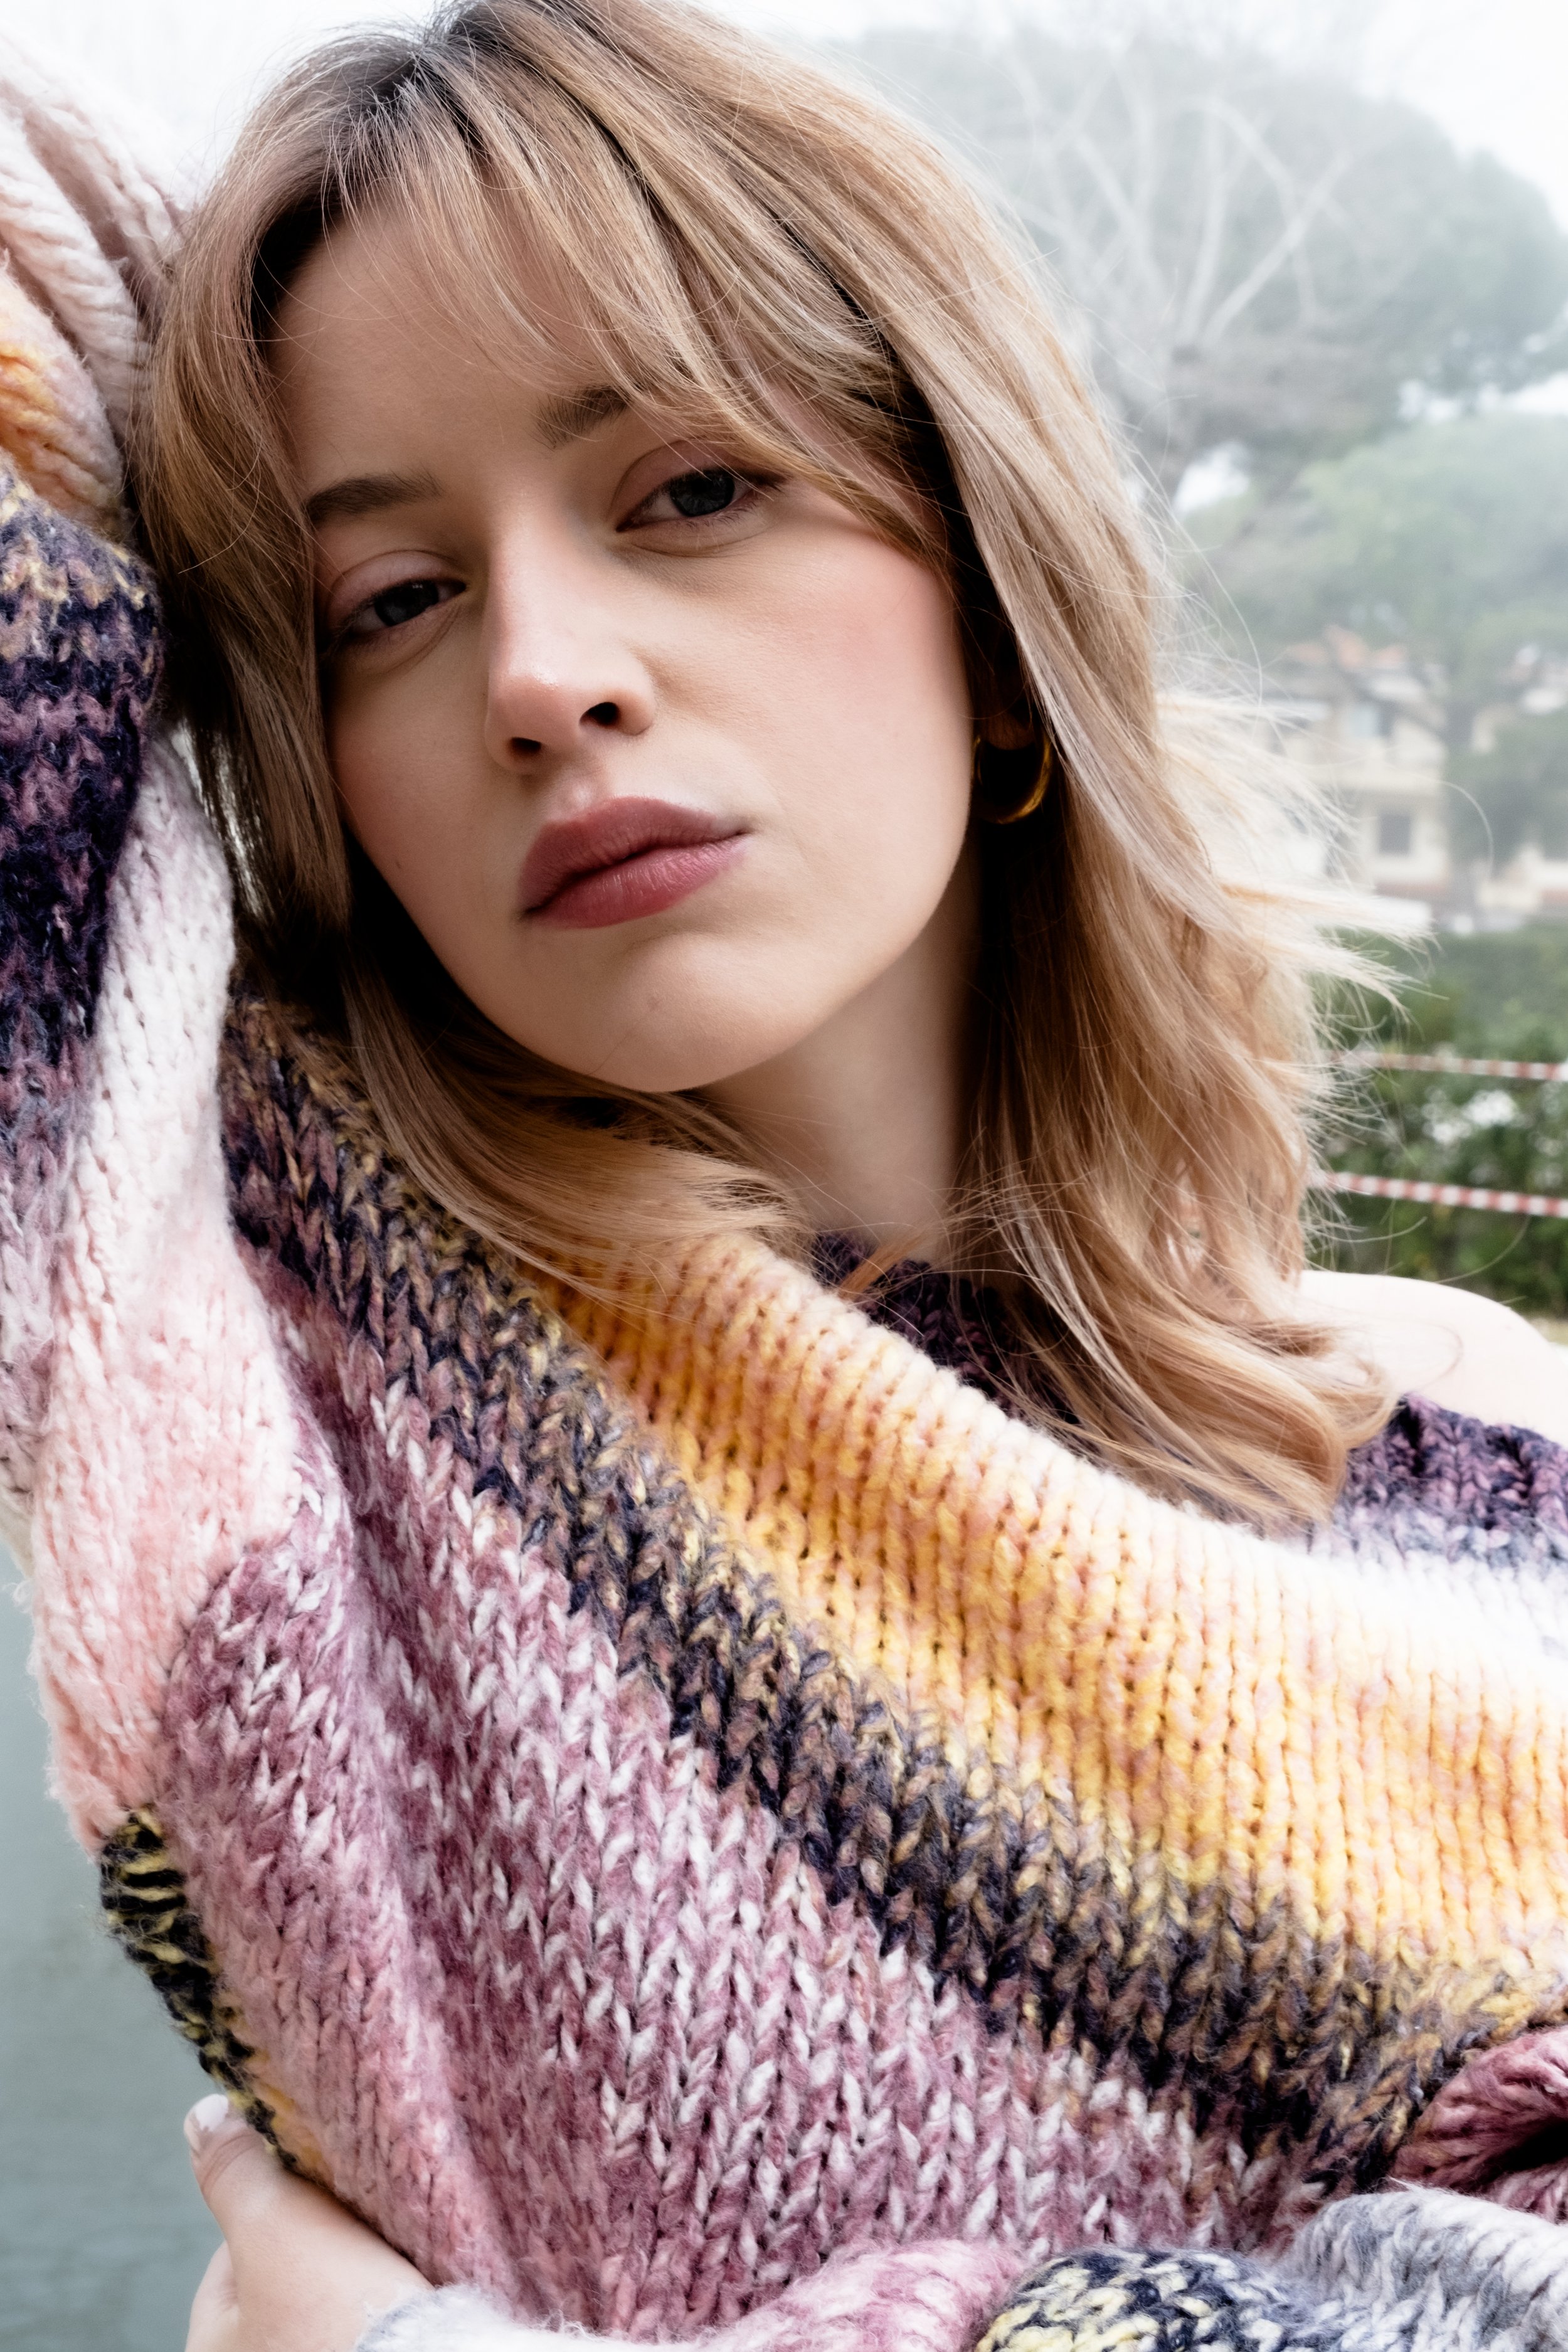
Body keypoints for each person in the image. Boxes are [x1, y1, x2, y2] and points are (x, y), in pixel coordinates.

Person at [3, 5, 1568, 2348]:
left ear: (990, 577)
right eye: (386, 604)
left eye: (688, 489)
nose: (543, 670)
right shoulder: (246, 1357)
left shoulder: (1481, 1469)